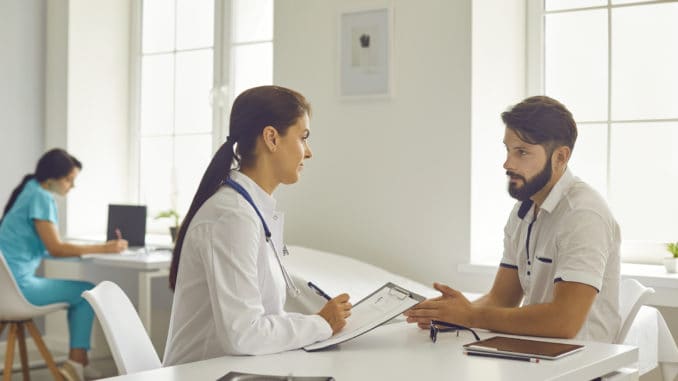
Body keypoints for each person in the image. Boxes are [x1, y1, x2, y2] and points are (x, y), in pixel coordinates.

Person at [405, 96, 621, 342]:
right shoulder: (524, 211)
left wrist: (470, 317)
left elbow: (564, 322)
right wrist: (449, 313)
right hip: (536, 351)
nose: (508, 163)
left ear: (560, 157)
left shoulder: (583, 214)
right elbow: (501, 299)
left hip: (584, 364)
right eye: (508, 149)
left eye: (522, 152)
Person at [163, 85, 352, 366]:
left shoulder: (249, 210)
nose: (308, 152)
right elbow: (243, 334)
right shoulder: (232, 218)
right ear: (271, 138)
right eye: (303, 138)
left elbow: (261, 322)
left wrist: (320, 322)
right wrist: (320, 324)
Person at [0, 148, 128, 381]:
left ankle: (81, 363)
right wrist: (104, 247)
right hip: (19, 288)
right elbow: (56, 248)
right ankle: (75, 364)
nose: (72, 185)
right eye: (69, 179)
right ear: (52, 178)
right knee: (86, 292)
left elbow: (50, 246)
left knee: (82, 291)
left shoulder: (28, 191)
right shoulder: (41, 197)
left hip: (5, 290)